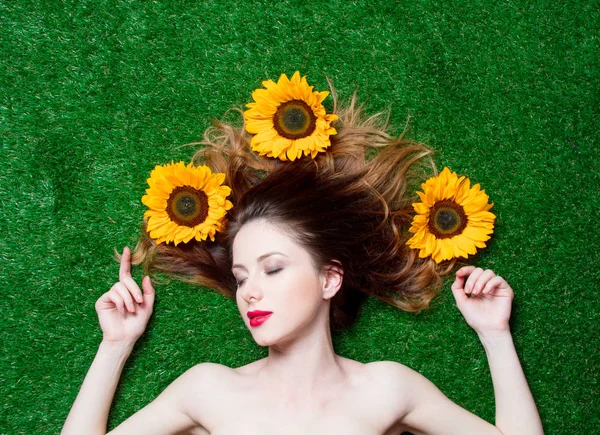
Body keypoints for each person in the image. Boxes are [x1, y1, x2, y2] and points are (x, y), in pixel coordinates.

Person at [61, 74, 544, 435]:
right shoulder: (209, 389)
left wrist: (495, 334)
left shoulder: (385, 389)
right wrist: (115, 345)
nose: (250, 292)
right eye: (242, 276)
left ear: (330, 278)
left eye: (273, 268)